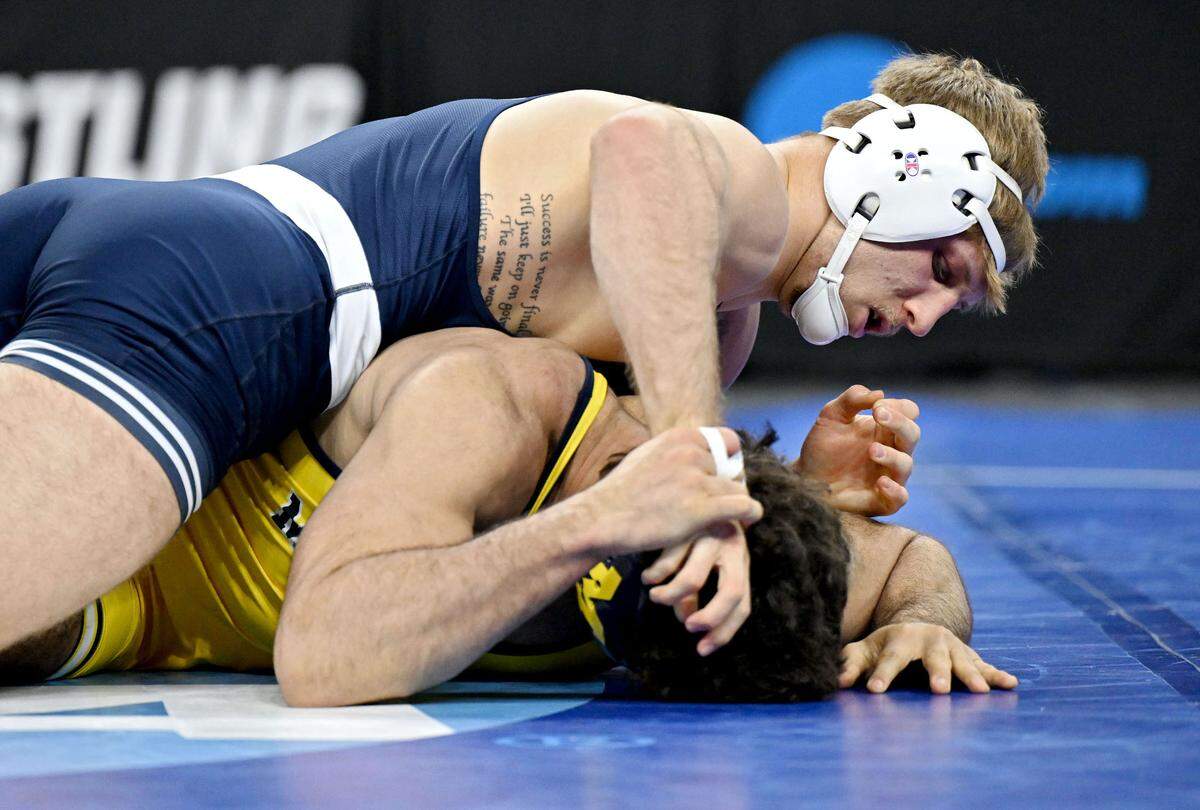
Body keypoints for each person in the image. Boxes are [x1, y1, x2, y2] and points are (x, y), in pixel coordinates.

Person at [0, 52, 1048, 658]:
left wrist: (795, 500)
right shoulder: (730, 176)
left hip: (166, 250)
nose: (923, 321)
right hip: (222, 307)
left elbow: (598, 486)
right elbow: (641, 156)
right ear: (905, 177)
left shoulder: (709, 318)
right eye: (949, 273)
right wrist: (709, 467)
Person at [0, 329, 1014, 703]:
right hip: (140, 529)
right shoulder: (495, 406)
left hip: (147, 633)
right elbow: (321, 656)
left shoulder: (726, 589)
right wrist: (591, 524)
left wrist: (924, 621)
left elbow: (911, 561)